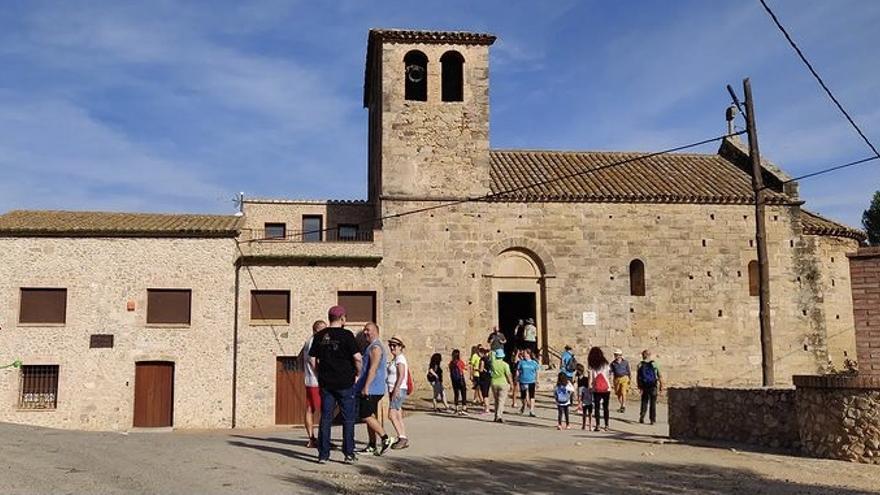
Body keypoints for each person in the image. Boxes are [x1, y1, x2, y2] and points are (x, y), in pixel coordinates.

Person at [309, 305, 362, 464]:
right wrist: (358, 374)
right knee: (348, 418)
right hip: (345, 382)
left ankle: (323, 455)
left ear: (329, 318)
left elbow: (311, 359)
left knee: (325, 418)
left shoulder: (320, 336)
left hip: (326, 383)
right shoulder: (347, 335)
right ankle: (348, 454)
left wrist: (318, 374)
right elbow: (358, 358)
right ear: (343, 318)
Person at [355, 322, 392, 456]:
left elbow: (373, 369)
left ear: (376, 331)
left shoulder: (375, 347)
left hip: (373, 388)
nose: (366, 332)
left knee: (365, 415)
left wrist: (366, 387)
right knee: (370, 416)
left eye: (368, 330)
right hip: (372, 388)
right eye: (364, 330)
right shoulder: (370, 347)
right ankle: (371, 445)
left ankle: (385, 438)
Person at [301, 320, 326, 448]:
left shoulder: (307, 342)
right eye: (322, 329)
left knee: (310, 409)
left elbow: (300, 358)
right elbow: (312, 360)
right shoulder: (314, 342)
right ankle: (320, 439)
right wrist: (321, 374)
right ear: (316, 330)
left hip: (309, 380)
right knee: (324, 410)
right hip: (316, 382)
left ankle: (312, 438)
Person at [386, 335, 410, 449]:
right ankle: (402, 435)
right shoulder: (395, 359)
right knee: (398, 414)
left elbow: (401, 375)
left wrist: (396, 389)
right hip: (395, 389)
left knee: (391, 414)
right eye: (390, 345)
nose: (392, 347)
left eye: (394, 345)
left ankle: (402, 437)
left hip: (398, 389)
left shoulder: (400, 358)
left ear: (400, 347)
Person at [587, 346, 612, 432]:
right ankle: (606, 425)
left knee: (597, 407)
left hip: (596, 388)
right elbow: (608, 375)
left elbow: (590, 378)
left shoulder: (592, 365)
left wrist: (589, 387)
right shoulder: (606, 364)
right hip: (606, 388)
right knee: (606, 407)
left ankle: (597, 425)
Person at [637, 349, 663, 425]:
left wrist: (639, 386)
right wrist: (661, 385)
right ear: (649, 355)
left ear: (643, 356)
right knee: (653, 403)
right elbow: (659, 375)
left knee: (644, 402)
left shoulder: (640, 364)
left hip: (645, 386)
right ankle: (652, 419)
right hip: (653, 385)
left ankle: (642, 416)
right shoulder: (655, 364)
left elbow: (638, 377)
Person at [489, 349, 512, 423]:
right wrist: (511, 383)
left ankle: (496, 416)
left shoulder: (493, 364)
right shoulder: (505, 365)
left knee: (496, 400)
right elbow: (508, 375)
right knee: (501, 400)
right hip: (503, 383)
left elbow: (491, 354)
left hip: (494, 382)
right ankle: (499, 416)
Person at [516, 348, 539, 417]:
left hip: (531, 381)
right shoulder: (521, 362)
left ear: (528, 354)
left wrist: (537, 380)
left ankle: (532, 410)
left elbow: (537, 372)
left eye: (525, 353)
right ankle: (523, 405)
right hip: (523, 381)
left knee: (532, 396)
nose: (523, 354)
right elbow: (518, 370)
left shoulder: (534, 363)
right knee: (523, 396)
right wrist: (517, 378)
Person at [610, 349, 632, 413]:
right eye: (615, 355)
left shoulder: (625, 362)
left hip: (624, 378)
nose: (615, 356)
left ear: (620, 355)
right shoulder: (613, 363)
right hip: (616, 379)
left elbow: (629, 370)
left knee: (623, 392)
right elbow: (610, 372)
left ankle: (623, 405)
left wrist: (630, 378)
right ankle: (622, 405)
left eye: (617, 355)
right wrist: (610, 379)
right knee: (618, 393)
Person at [448, 349, 469, 416]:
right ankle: (464, 407)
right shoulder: (460, 362)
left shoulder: (451, 363)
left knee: (456, 394)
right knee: (463, 393)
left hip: (454, 380)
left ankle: (456, 408)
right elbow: (464, 368)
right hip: (460, 379)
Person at [478, 347, 493, 415]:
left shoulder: (482, 359)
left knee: (484, 394)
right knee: (486, 393)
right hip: (488, 377)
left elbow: (481, 369)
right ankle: (487, 408)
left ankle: (486, 409)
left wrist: (476, 369)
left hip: (483, 377)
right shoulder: (489, 359)